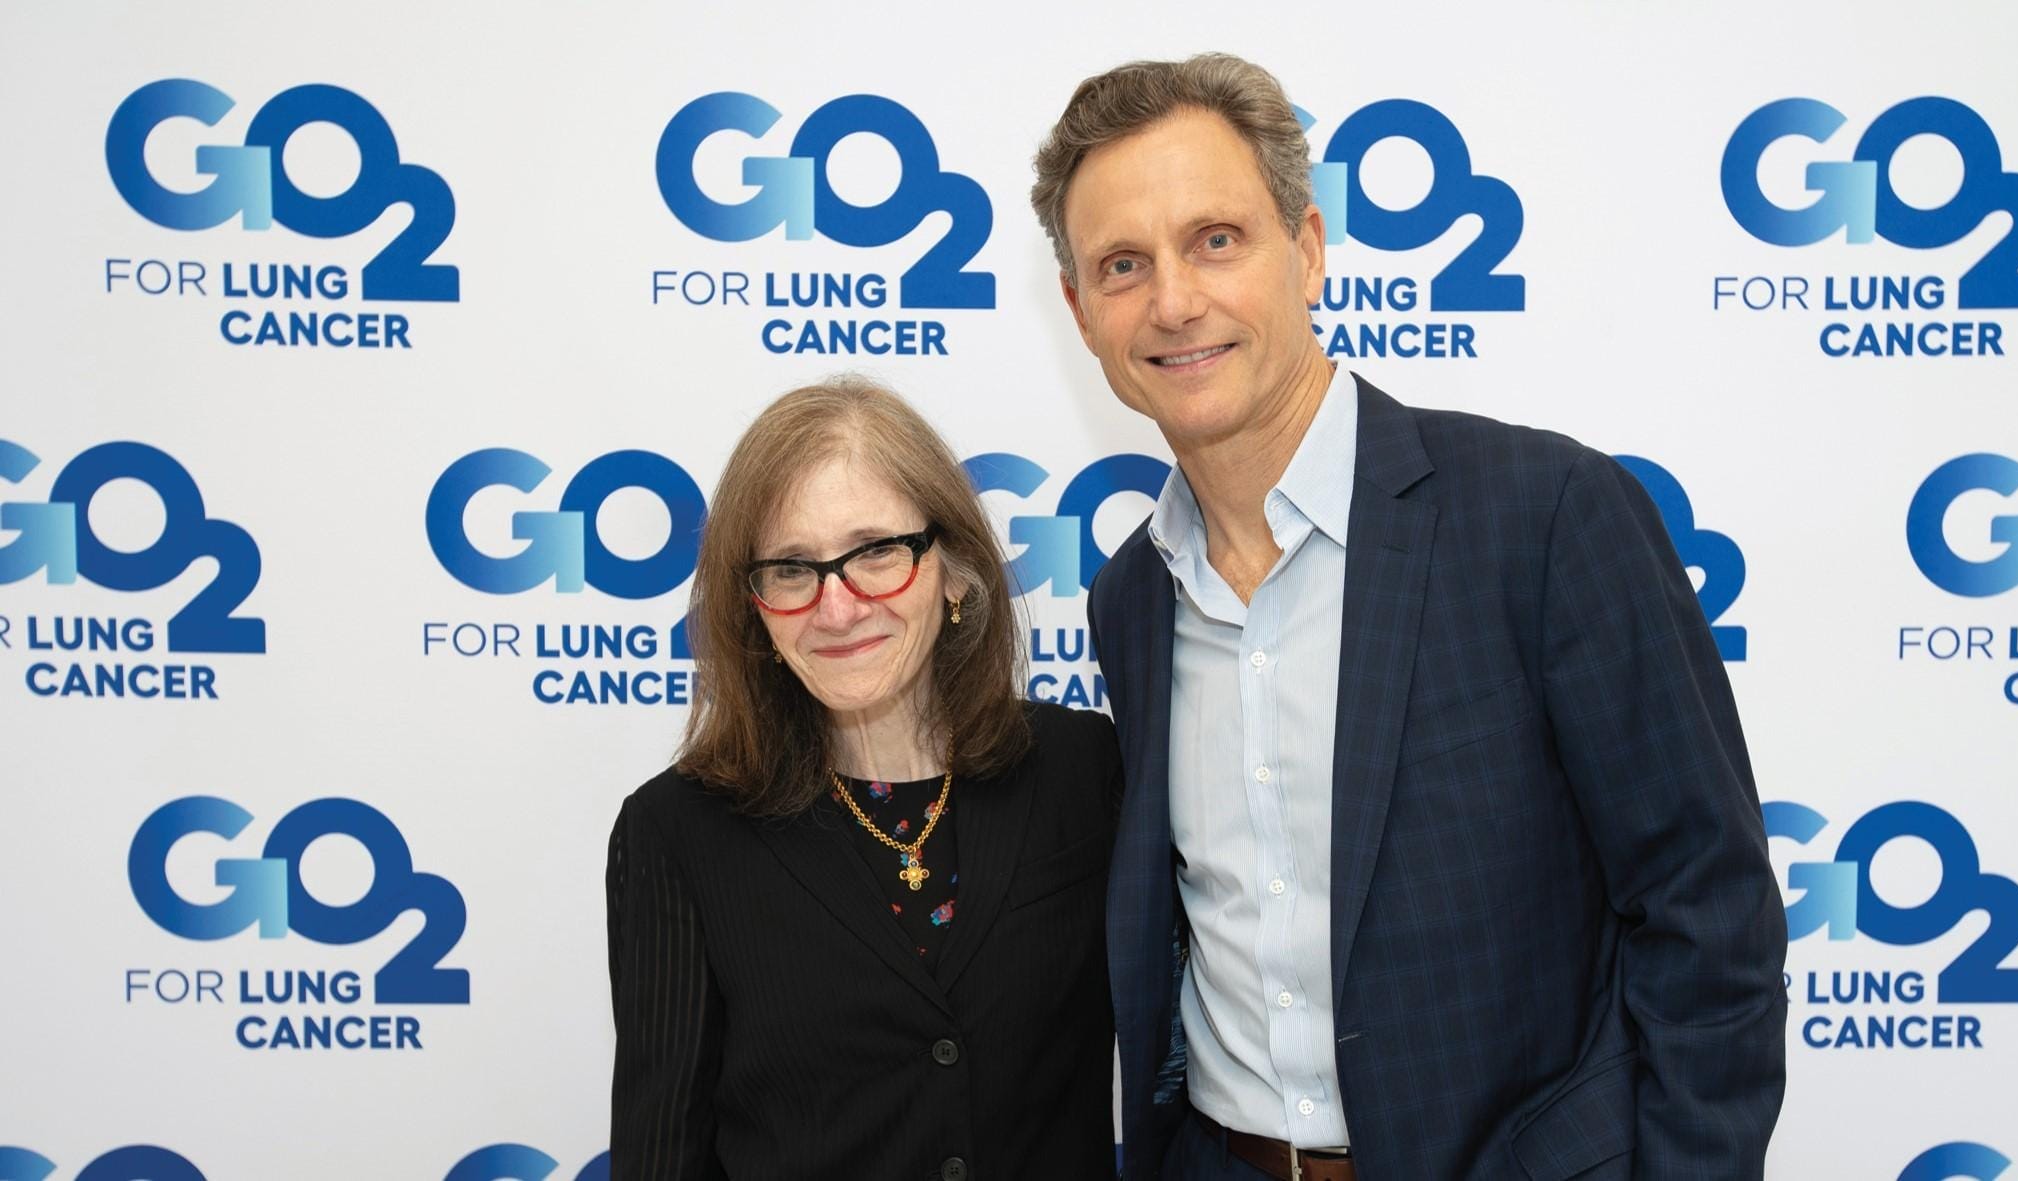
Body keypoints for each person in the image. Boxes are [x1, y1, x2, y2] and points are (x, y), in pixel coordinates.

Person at [1030, 54, 1787, 1180]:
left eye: (1217, 240)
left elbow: (1708, 920)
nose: (1175, 299)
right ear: (1082, 311)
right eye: (1124, 264)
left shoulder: (1545, 517)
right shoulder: (1132, 598)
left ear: (1310, 250)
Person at [605, 378, 1120, 1180]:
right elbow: (663, 1157)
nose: (837, 608)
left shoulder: (1085, 772)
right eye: (790, 568)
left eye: (877, 551)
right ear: (755, 611)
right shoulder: (677, 832)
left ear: (953, 570)